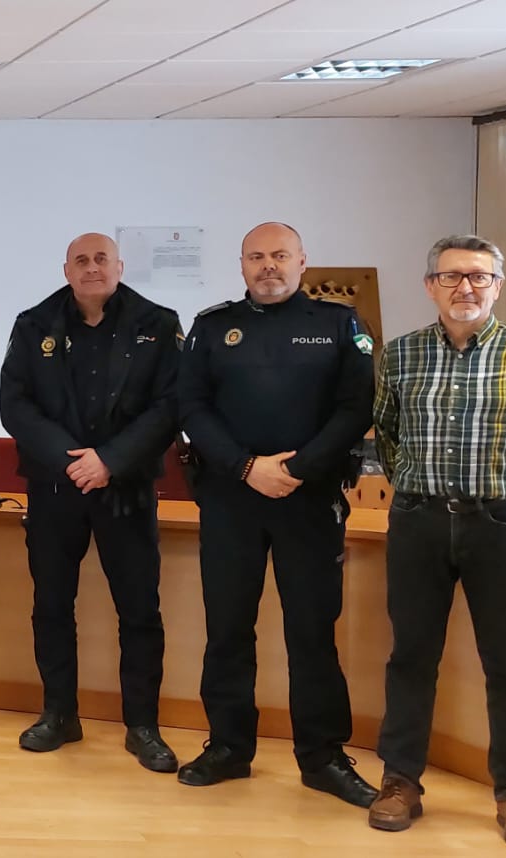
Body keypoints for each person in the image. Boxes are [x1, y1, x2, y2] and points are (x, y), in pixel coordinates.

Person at [368, 235, 506, 853]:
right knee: (410, 658)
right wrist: (419, 491)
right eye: (453, 276)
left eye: (480, 278)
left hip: (505, 528)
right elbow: (388, 436)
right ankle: (400, 781)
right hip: (419, 522)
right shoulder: (401, 355)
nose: (466, 288)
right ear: (430, 284)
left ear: (497, 286)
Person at [177, 222, 377, 806]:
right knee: (228, 630)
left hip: (309, 501)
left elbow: (354, 407)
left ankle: (322, 757)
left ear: (302, 262)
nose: (269, 266)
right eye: (257, 256)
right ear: (241, 265)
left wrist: (297, 469)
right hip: (230, 499)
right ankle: (228, 748)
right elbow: (192, 406)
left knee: (312, 632)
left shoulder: (338, 325)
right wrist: (245, 468)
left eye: (280, 255)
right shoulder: (212, 327)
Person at [0, 232, 180, 771]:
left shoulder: (158, 323)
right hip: (56, 488)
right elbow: (15, 404)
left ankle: (142, 725)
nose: (92, 267)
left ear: (119, 266)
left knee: (140, 611)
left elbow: (171, 405)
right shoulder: (34, 325)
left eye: (101, 259)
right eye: (82, 260)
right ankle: (59, 714)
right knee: (52, 605)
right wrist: (71, 459)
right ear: (66, 269)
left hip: (126, 488)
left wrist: (111, 461)